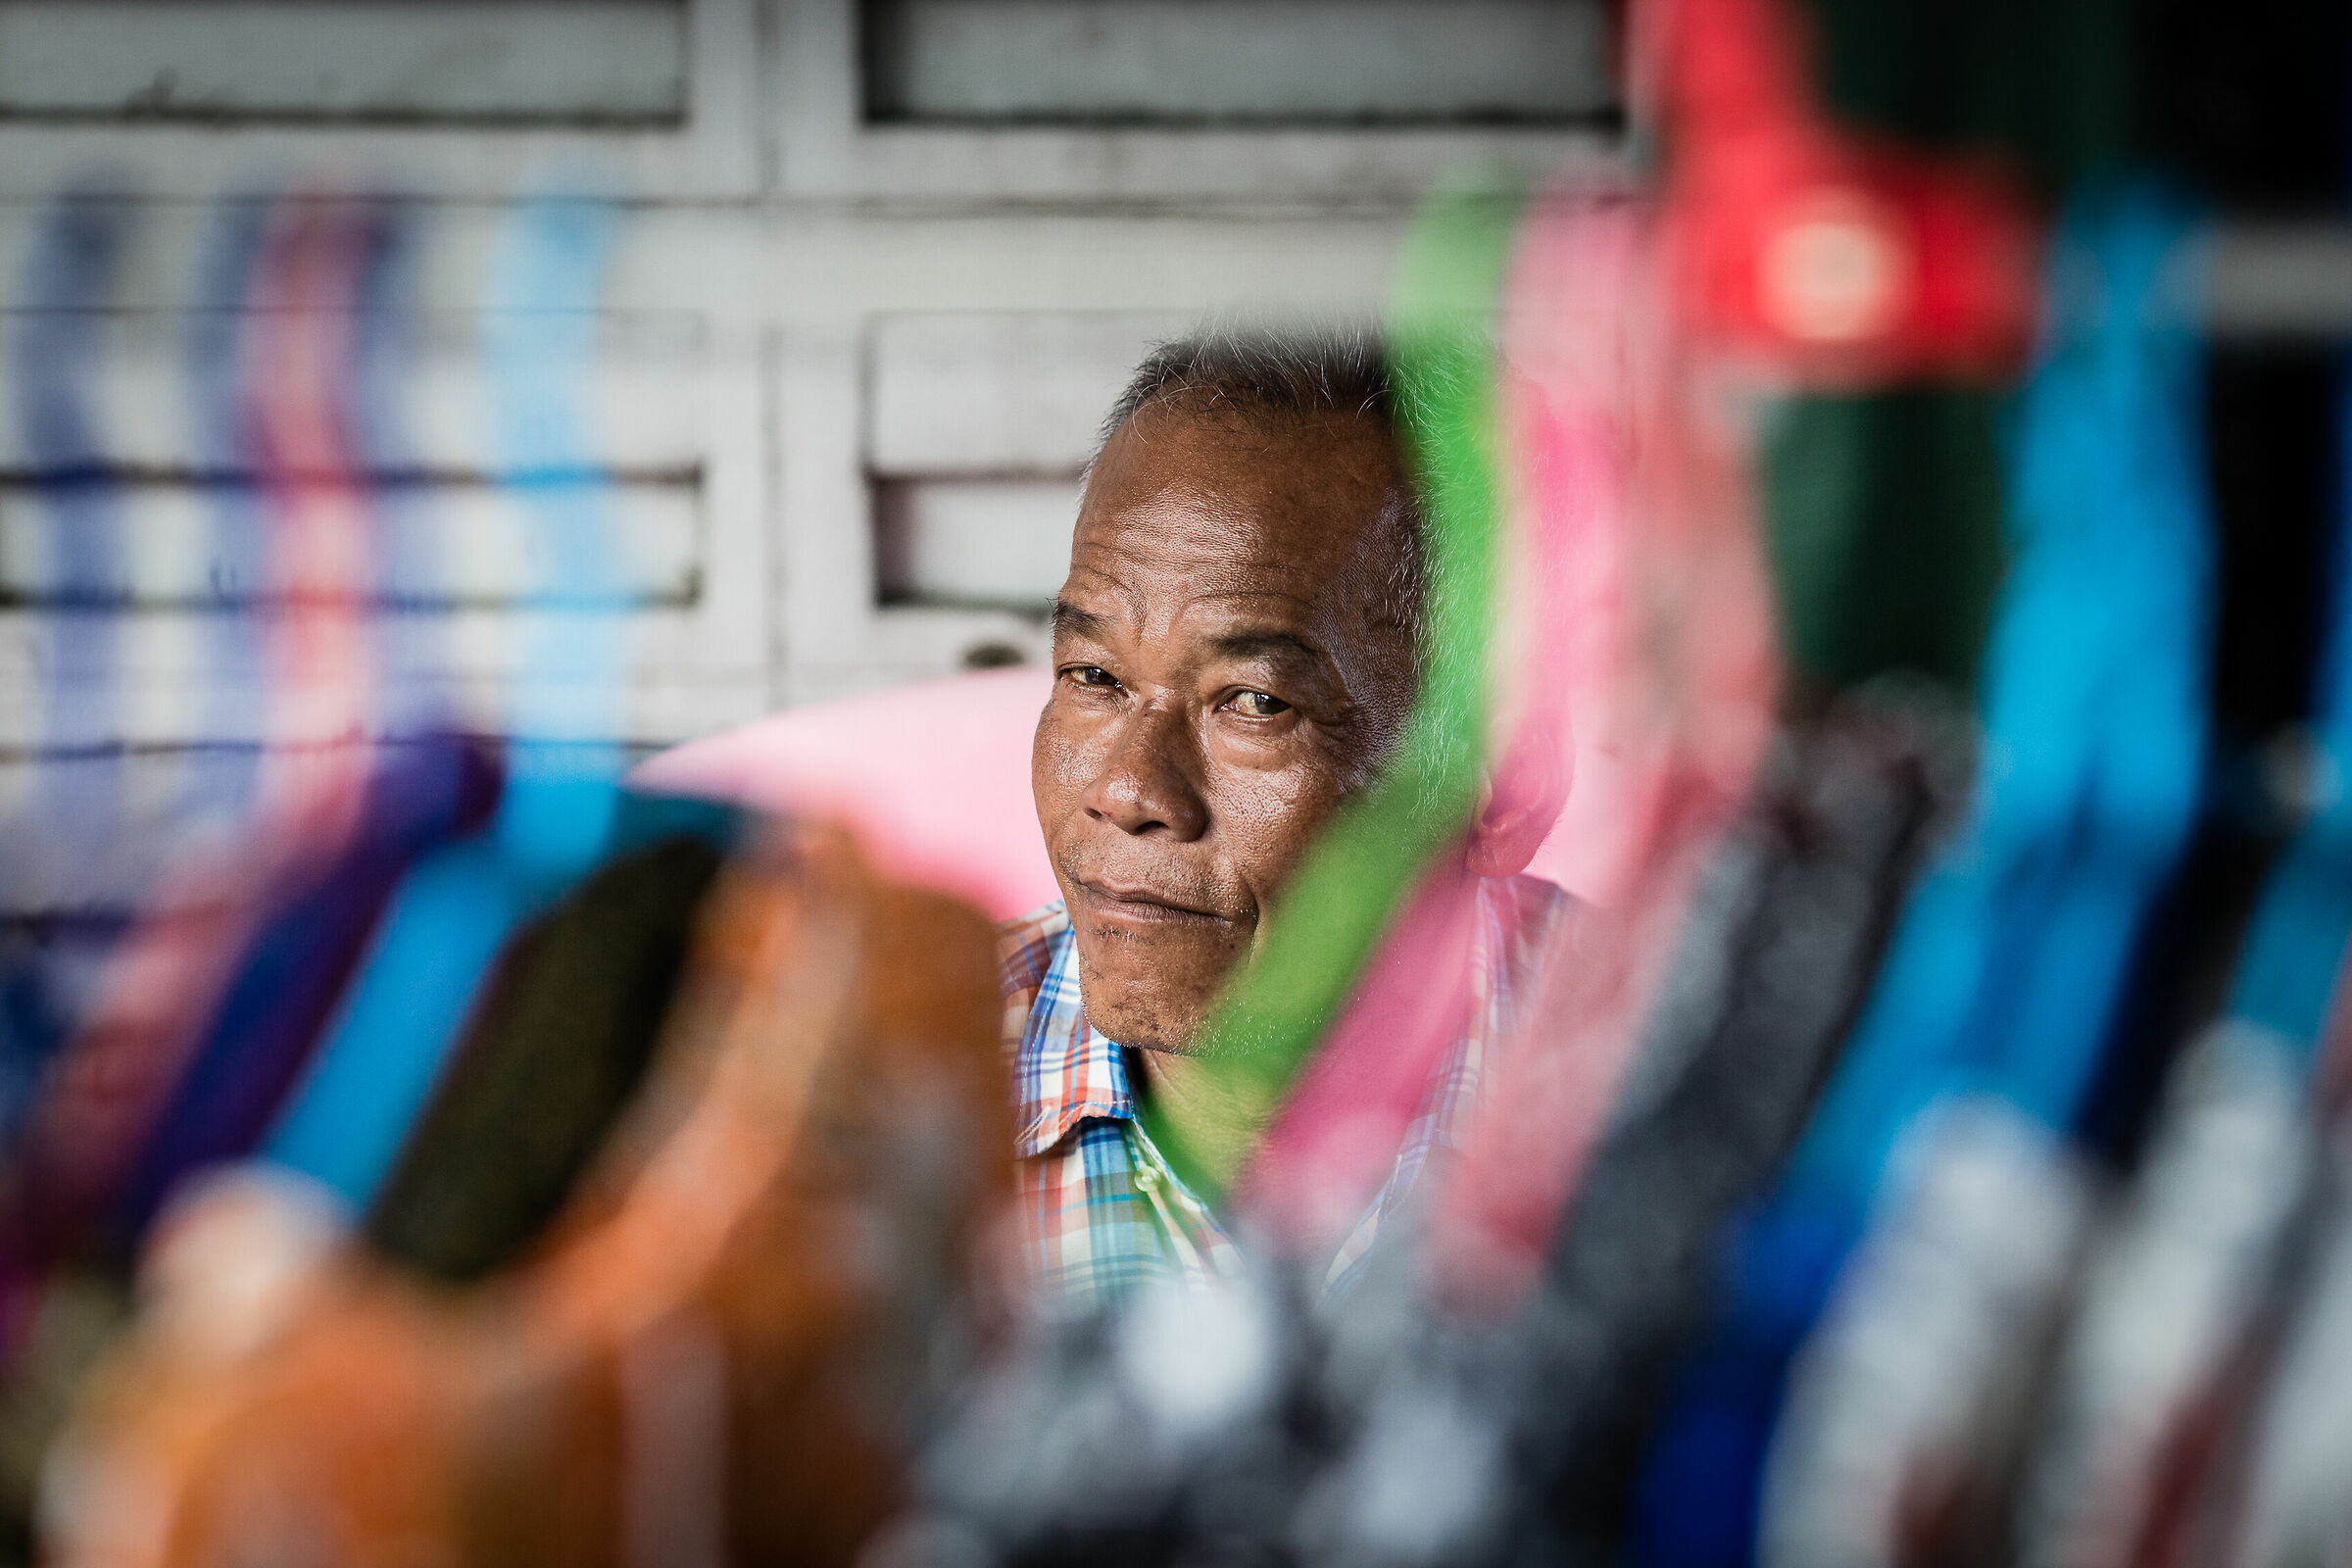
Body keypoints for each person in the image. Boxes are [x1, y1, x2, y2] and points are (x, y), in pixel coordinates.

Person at [1001, 328, 1571, 1304]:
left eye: (1255, 702)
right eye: (1094, 677)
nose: (1129, 789)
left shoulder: (1663, 1100)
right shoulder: (888, 1113)